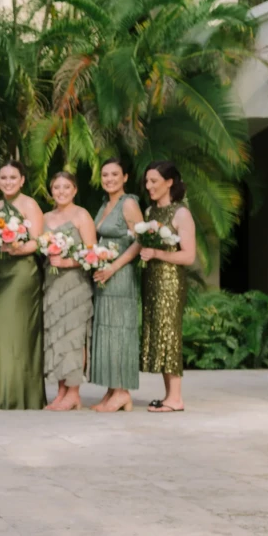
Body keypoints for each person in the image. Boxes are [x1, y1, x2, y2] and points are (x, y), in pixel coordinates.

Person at [0, 160, 45, 411]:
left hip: (22, 273)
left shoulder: (30, 204)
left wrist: (18, 246)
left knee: (20, 332)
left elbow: (39, 242)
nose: (7, 182)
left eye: (13, 178)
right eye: (3, 178)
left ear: (22, 180)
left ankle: (23, 395)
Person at [140, 160, 196, 413]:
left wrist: (156, 254)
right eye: (147, 181)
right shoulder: (150, 213)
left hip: (171, 282)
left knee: (170, 335)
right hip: (152, 281)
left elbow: (189, 256)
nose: (148, 186)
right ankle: (168, 396)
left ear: (169, 182)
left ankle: (176, 398)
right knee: (160, 336)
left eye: (154, 181)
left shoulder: (180, 213)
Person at [89, 159, 144, 412]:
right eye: (105, 175)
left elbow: (140, 242)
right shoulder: (105, 204)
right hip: (104, 277)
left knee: (120, 329)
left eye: (114, 174)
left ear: (125, 177)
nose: (109, 179)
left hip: (120, 276)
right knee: (108, 330)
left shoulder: (129, 203)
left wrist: (114, 266)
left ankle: (122, 390)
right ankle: (112, 389)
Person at [41, 171, 96, 411]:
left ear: (74, 190)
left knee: (73, 336)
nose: (61, 191)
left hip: (75, 283)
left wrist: (67, 262)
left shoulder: (82, 215)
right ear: (51, 191)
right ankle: (61, 390)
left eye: (66, 187)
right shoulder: (44, 217)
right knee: (57, 336)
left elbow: (93, 255)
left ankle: (74, 392)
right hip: (52, 284)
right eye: (56, 187)